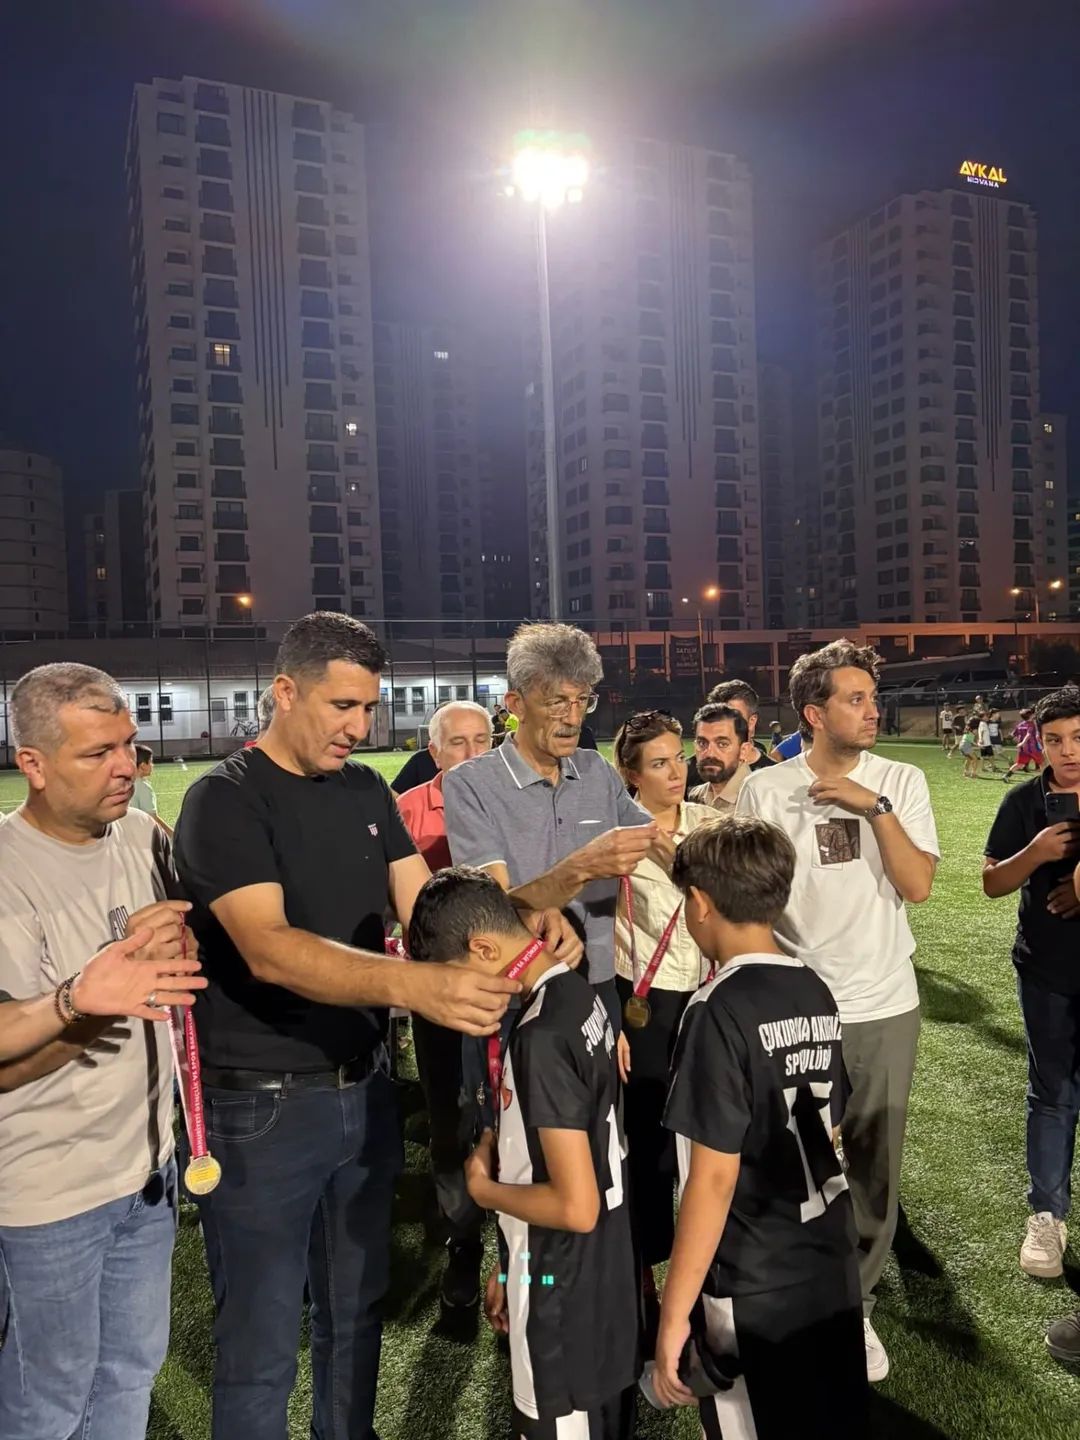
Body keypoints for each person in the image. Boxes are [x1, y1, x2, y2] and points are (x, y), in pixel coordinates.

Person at [172, 613, 531, 1440]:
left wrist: (528, 935)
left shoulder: (367, 789)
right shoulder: (225, 798)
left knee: (355, 1312)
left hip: (365, 1091)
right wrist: (416, 984)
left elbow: (429, 912)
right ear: (284, 691)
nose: (359, 727)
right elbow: (269, 948)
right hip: (261, 1107)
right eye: (342, 706)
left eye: (369, 707)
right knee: (261, 1341)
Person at [0, 662, 199, 1440]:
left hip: (148, 1171)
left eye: (128, 745)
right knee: (47, 1403)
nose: (125, 766)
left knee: (130, 1375)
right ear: (33, 764)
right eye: (96, 753)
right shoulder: (7, 867)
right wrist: (79, 1000)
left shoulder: (146, 837)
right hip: (49, 1192)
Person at [737, 638, 939, 1383]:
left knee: (874, 1162)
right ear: (813, 713)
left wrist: (874, 809)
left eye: (872, 697)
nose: (871, 710)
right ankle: (792, 1289)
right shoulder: (768, 790)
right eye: (855, 699)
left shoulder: (901, 780)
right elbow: (751, 899)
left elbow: (917, 886)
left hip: (884, 1001)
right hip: (798, 1008)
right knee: (792, 1159)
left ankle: (856, 1301)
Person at [652, 814, 867, 1437]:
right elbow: (832, 1124)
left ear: (699, 903)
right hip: (826, 1262)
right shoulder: (815, 988)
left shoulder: (714, 1008)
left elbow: (713, 1179)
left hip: (752, 1282)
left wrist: (674, 1316)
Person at [408, 867, 639, 1440]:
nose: (453, 997)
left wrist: (483, 1191)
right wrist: (513, 1267)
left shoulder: (541, 1035)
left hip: (561, 1302)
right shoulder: (576, 993)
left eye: (452, 976)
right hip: (594, 1278)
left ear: (483, 949)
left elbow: (575, 1206)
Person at [444, 623, 661, 1035]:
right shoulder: (470, 784)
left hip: (598, 984)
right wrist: (582, 867)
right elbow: (492, 904)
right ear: (516, 704)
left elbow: (658, 842)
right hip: (515, 993)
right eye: (558, 702)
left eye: (583, 700)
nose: (573, 718)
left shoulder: (596, 770)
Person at [611, 711, 713, 1348]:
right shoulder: (615, 834)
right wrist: (610, 1015)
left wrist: (669, 851)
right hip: (642, 1005)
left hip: (708, 998)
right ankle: (646, 1272)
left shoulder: (709, 823)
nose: (676, 772)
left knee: (707, 1139)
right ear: (631, 774)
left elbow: (722, 895)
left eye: (679, 757)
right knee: (647, 1142)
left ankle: (700, 1275)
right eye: (659, 763)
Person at [396, 700, 496, 1308]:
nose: (471, 753)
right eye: (457, 742)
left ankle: (519, 1256)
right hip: (436, 991)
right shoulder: (406, 810)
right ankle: (463, 1243)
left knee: (512, 1113)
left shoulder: (511, 798)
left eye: (482, 740)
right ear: (433, 752)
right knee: (449, 1115)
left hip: (507, 988)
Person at [984, 688, 1080, 1284]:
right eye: (1055, 740)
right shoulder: (1024, 801)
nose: (1068, 752)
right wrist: (1037, 851)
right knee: (1052, 1093)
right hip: (1047, 971)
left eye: (1078, 738)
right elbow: (993, 882)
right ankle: (1047, 1214)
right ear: (1039, 743)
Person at [684, 678, 773, 794]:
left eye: (734, 716)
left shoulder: (774, 776)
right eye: (715, 716)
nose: (721, 724)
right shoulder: (686, 773)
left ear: (752, 721)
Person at [686, 702, 757, 812]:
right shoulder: (696, 796)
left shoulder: (760, 801)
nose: (710, 753)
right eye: (702, 743)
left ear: (744, 750)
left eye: (722, 744)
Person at [1006, 708, 1044, 781]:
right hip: (1033, 748)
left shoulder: (1020, 724)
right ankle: (1045, 779)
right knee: (1042, 763)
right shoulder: (1031, 724)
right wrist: (1023, 742)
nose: (1034, 715)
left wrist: (1016, 740)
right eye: (1032, 714)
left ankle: (1006, 776)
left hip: (1023, 749)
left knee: (1019, 764)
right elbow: (1028, 735)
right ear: (1030, 715)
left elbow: (1013, 734)